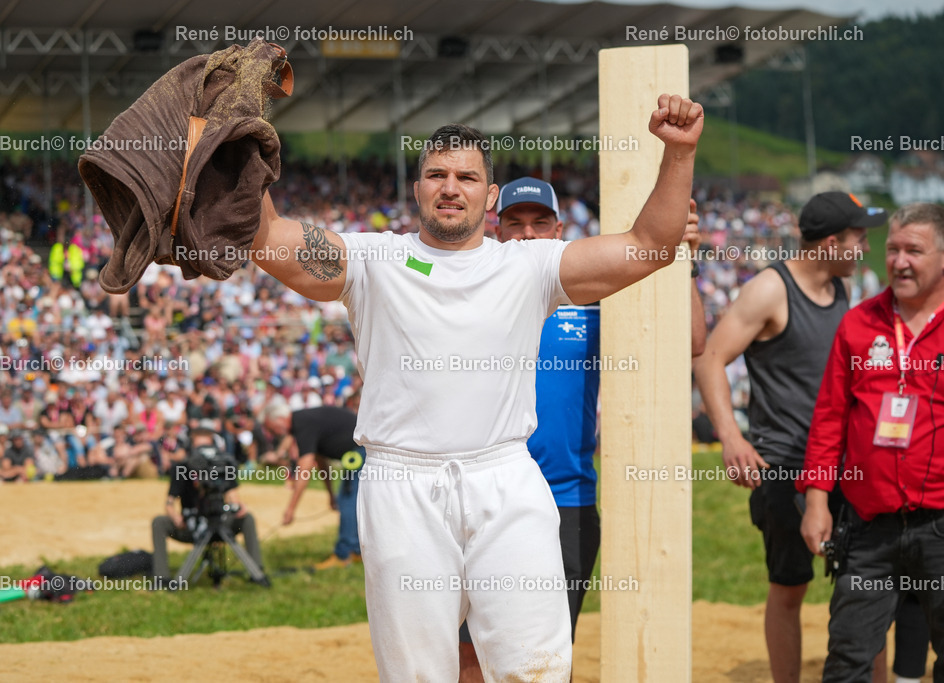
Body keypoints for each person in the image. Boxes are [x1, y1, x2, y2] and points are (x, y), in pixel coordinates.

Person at [249, 94, 703, 680]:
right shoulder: (373, 258)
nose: (450, 187)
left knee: (533, 668)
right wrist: (246, 150)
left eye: (467, 176)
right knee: (419, 674)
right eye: (436, 174)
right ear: (417, 189)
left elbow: (650, 247)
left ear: (490, 197)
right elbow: (271, 240)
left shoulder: (531, 265)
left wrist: (680, 151)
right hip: (401, 484)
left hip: (506, 479)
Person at [456, 178, 708, 681]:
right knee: (468, 654)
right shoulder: (470, 290)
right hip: (482, 497)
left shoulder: (591, 299)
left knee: (549, 655)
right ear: (496, 230)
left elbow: (692, 341)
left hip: (565, 500)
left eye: (539, 223)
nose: (527, 234)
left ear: (558, 230)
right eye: (514, 223)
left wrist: (681, 258)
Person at [695, 191, 881, 683]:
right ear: (832, 242)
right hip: (785, 468)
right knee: (789, 587)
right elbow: (710, 357)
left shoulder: (839, 288)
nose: (865, 246)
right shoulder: (770, 290)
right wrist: (731, 437)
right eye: (859, 237)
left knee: (868, 587)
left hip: (843, 466)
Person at [799, 202, 944, 682]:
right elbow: (829, 419)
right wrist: (817, 500)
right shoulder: (860, 323)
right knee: (847, 660)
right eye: (893, 249)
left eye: (914, 251)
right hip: (868, 527)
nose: (899, 260)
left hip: (941, 524)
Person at [151, 428, 268, 588]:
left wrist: (238, 506)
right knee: (159, 522)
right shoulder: (182, 468)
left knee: (247, 518)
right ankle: (162, 578)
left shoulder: (222, 465)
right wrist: (175, 517)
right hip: (192, 526)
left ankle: (256, 570)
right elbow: (169, 503)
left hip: (221, 522)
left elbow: (233, 495)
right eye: (200, 448)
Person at [262, 402, 363, 569]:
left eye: (270, 427)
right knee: (349, 501)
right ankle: (356, 550)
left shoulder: (302, 423)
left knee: (348, 503)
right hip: (358, 451)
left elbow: (304, 470)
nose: (271, 433)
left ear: (279, 419)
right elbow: (321, 460)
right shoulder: (304, 421)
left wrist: (291, 509)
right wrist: (331, 495)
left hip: (361, 451)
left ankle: (345, 554)